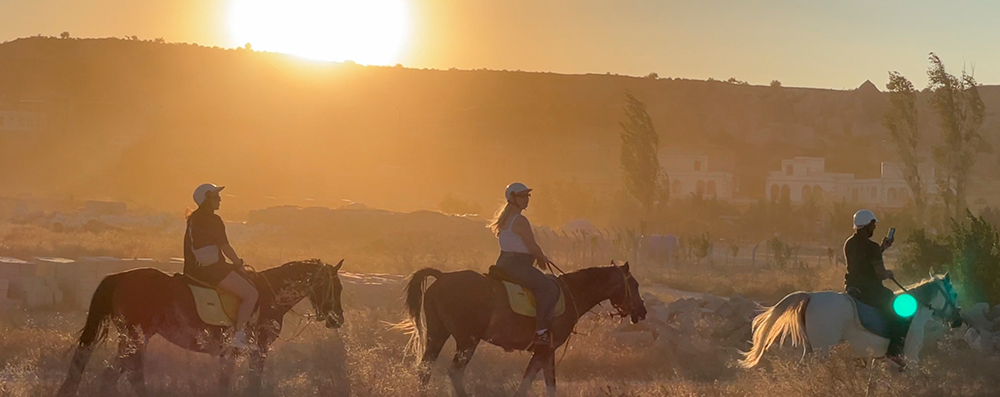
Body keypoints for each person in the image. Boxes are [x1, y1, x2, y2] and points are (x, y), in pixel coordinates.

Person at [184, 183, 259, 349]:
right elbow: (225, 247)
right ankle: (239, 335)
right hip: (211, 270)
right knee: (251, 294)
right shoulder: (213, 220)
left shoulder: (194, 218)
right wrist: (238, 263)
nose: (220, 200)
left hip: (193, 271)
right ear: (206, 199)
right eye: (216, 197)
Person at [489, 182, 559, 350]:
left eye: (527, 195)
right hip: (518, 267)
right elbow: (532, 246)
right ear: (513, 198)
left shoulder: (504, 219)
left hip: (503, 264)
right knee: (549, 289)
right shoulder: (520, 220)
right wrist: (542, 257)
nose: (526, 199)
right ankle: (541, 332)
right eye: (522, 196)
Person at [843, 209, 905, 367]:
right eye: (873, 225)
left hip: (852, 287)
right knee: (898, 311)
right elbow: (880, 274)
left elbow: (864, 260)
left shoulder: (849, 243)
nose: (875, 228)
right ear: (868, 225)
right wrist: (888, 273)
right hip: (870, 290)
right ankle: (893, 353)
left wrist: (882, 248)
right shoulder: (872, 247)